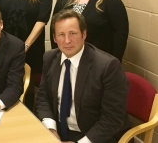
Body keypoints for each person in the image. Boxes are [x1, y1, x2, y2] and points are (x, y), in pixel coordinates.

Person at [36, 9, 131, 143]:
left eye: (73, 33)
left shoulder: (108, 66)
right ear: (54, 38)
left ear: (84, 34)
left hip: (95, 135)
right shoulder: (50, 58)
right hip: (59, 131)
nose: (67, 40)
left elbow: (112, 119)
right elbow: (43, 97)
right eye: (61, 34)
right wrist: (51, 130)